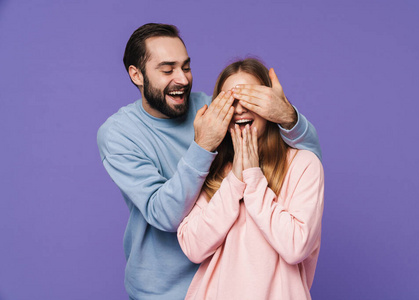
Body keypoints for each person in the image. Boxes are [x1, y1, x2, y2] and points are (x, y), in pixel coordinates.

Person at [97, 23, 322, 300]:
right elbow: (164, 214)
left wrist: (286, 116)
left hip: (224, 284)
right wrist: (204, 145)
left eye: (186, 67)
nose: (182, 79)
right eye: (167, 70)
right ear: (136, 75)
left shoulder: (215, 108)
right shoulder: (119, 134)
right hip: (160, 290)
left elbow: (304, 157)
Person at [177, 58, 324, 300]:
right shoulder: (211, 170)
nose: (240, 109)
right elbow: (193, 247)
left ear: (270, 104)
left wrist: (253, 180)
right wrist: (235, 180)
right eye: (230, 101)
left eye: (250, 98)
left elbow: (296, 246)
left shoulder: (304, 164)